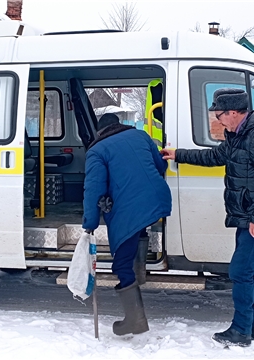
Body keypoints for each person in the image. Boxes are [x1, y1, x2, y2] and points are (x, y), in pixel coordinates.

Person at [161, 88, 254, 347]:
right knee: (248, 272)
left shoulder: (252, 136)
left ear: (234, 113)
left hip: (251, 218)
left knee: (241, 272)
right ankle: (249, 326)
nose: (218, 119)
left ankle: (241, 331)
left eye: (220, 114)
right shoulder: (237, 135)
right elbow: (214, 156)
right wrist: (177, 154)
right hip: (243, 216)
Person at [83, 113, 172, 336]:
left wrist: (90, 223)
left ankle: (135, 320)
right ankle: (138, 271)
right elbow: (160, 165)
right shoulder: (141, 135)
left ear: (100, 132)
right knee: (137, 231)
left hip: (130, 209)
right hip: (156, 198)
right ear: (119, 125)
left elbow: (94, 189)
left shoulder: (97, 150)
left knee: (121, 263)